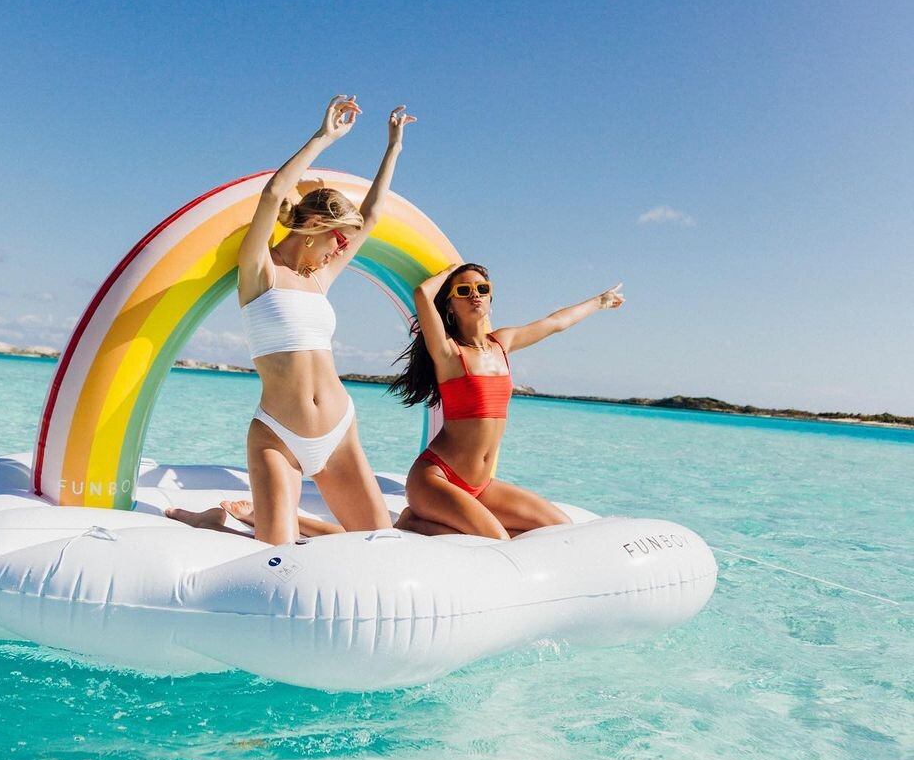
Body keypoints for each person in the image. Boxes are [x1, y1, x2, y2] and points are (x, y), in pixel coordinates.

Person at [166, 95, 416, 543]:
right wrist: (324, 137)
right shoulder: (260, 270)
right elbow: (272, 195)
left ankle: (247, 518)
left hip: (340, 434)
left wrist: (393, 147)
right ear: (315, 227)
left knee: (382, 545)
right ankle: (214, 519)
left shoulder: (320, 279)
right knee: (276, 557)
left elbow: (373, 214)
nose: (342, 250)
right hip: (278, 437)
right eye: (339, 239)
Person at [387, 263, 625, 539]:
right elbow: (422, 295)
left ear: (490, 297)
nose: (474, 294)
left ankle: (433, 521)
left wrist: (599, 301)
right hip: (436, 479)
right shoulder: (448, 352)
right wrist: (448, 272)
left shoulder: (502, 342)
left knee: (560, 526)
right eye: (463, 290)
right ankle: (412, 522)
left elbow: (555, 323)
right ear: (449, 306)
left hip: (480, 486)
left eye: (482, 288)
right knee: (497, 541)